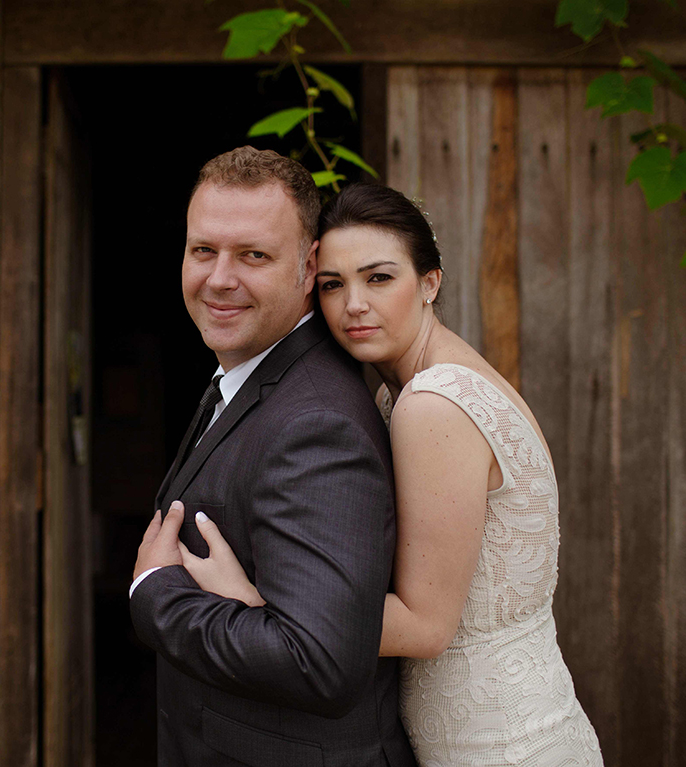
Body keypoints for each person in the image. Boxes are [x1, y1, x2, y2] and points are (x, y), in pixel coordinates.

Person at [177, 183, 604, 765]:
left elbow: (426, 627)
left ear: (429, 283)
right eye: (333, 284)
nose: (353, 304)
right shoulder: (420, 386)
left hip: (494, 742)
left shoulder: (433, 402)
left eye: (379, 278)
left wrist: (258, 604)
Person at [129, 148, 418, 767]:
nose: (219, 278)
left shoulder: (316, 423)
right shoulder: (246, 375)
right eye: (203, 251)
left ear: (309, 265)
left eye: (253, 255)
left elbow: (320, 663)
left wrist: (156, 595)